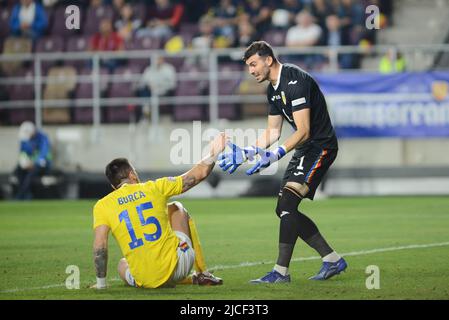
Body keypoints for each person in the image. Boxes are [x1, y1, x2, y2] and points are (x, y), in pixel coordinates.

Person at [218, 41, 347, 283]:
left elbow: (305, 130)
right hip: (304, 149)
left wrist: (275, 154)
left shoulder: (295, 80)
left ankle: (281, 273)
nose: (251, 71)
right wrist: (248, 152)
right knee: (284, 209)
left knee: (287, 205)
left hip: (320, 147)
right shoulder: (272, 89)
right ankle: (331, 260)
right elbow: (272, 132)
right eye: (248, 66)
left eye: (253, 64)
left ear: (268, 59)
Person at [91, 133, 227, 289]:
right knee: (176, 207)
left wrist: (101, 284)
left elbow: (100, 246)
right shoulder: (154, 187)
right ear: (132, 175)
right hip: (178, 267)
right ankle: (202, 272)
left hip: (145, 281)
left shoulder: (102, 205)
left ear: (114, 187)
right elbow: (197, 176)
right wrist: (214, 152)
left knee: (122, 265)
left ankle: (168, 279)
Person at [13, 121, 52, 200]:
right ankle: (26, 193)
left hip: (43, 164)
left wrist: (34, 162)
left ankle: (22, 195)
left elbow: (44, 153)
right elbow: (23, 152)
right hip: (29, 164)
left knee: (30, 174)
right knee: (18, 171)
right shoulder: (24, 140)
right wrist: (24, 162)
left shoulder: (43, 138)